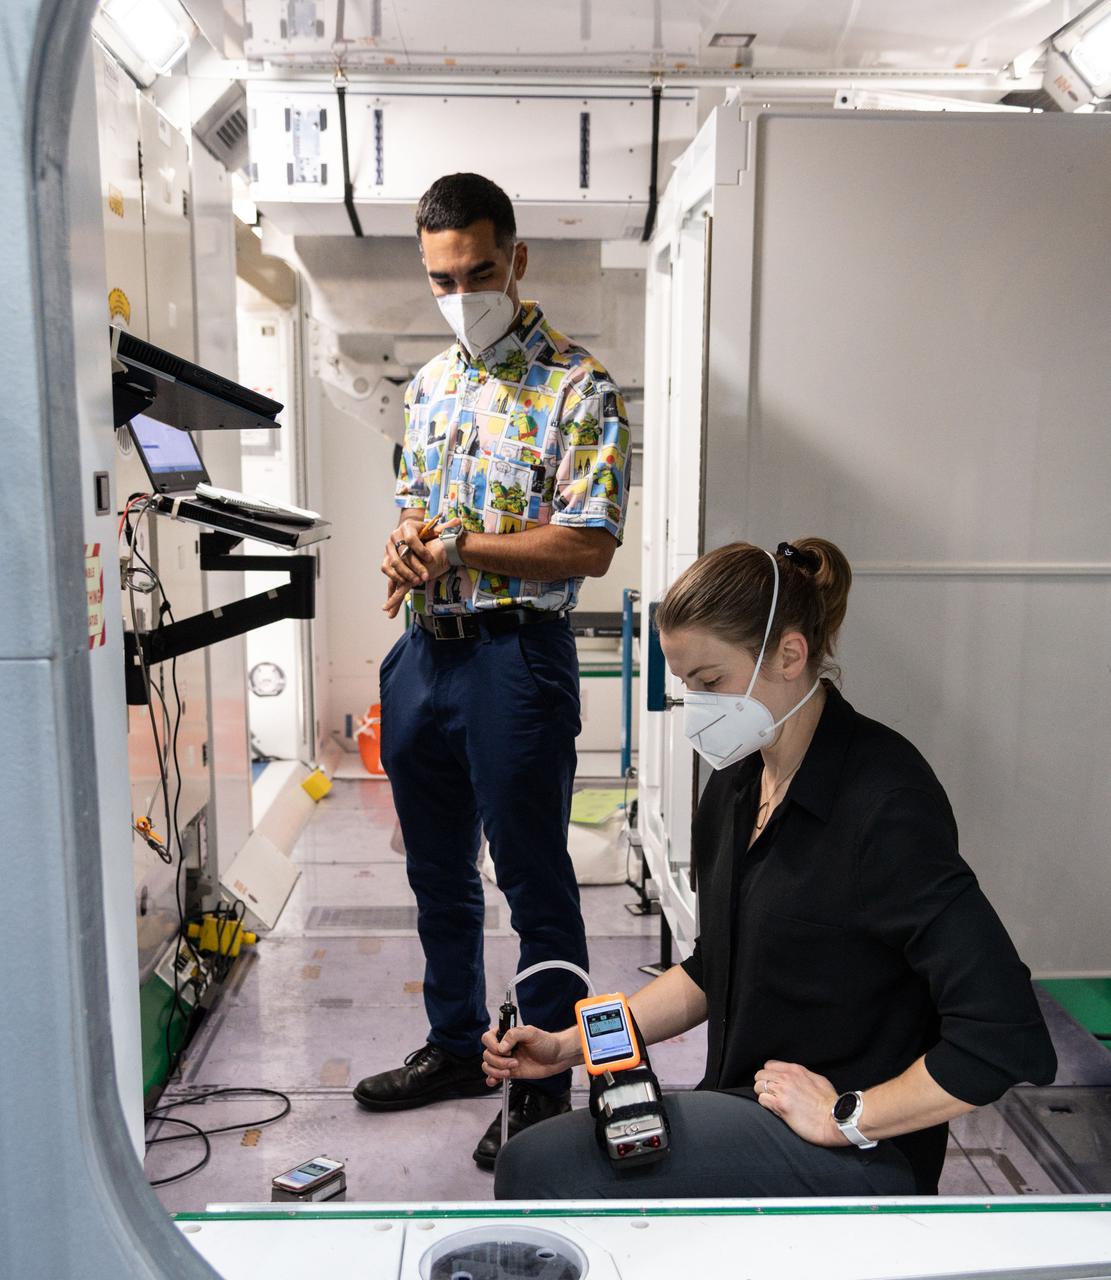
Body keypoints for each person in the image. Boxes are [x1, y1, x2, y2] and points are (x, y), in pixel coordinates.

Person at [484, 538, 1057, 1198]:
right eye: (685, 685)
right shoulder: (735, 786)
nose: (695, 706)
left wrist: (847, 1116)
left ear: (790, 653)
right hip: (744, 1104)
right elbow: (715, 968)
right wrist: (566, 1046)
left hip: (851, 1153)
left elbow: (1004, 1036)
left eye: (709, 683)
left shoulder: (885, 805)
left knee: (536, 1166)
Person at [353, 172, 632, 1171]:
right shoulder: (430, 387)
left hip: (517, 660)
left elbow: (589, 544)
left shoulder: (578, 388)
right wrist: (405, 545)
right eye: (440, 277)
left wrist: (463, 547)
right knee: (434, 871)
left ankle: (545, 1077)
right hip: (424, 656)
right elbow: (417, 512)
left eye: (475, 270)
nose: (460, 291)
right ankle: (455, 1044)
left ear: (515, 258)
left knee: (531, 874)